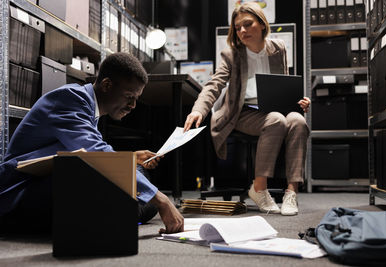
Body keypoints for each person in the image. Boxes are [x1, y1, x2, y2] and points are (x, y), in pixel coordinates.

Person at [0, 52, 184, 233]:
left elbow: (87, 151)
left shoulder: (86, 104)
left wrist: (131, 159)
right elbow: (96, 152)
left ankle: (124, 210)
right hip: (21, 191)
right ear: (106, 85)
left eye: (136, 99)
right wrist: (160, 199)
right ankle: (126, 209)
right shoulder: (70, 98)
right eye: (129, 97)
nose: (133, 105)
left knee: (137, 176)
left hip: (48, 183)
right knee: (137, 193)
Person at [184, 2, 310, 216]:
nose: (242, 31)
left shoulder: (278, 48)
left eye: (247, 24)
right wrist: (198, 109)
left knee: (298, 120)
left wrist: (297, 101)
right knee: (277, 120)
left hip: (273, 107)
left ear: (262, 24)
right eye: (238, 27)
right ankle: (259, 188)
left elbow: (283, 84)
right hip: (241, 112)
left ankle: (292, 191)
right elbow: (214, 85)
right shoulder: (231, 54)